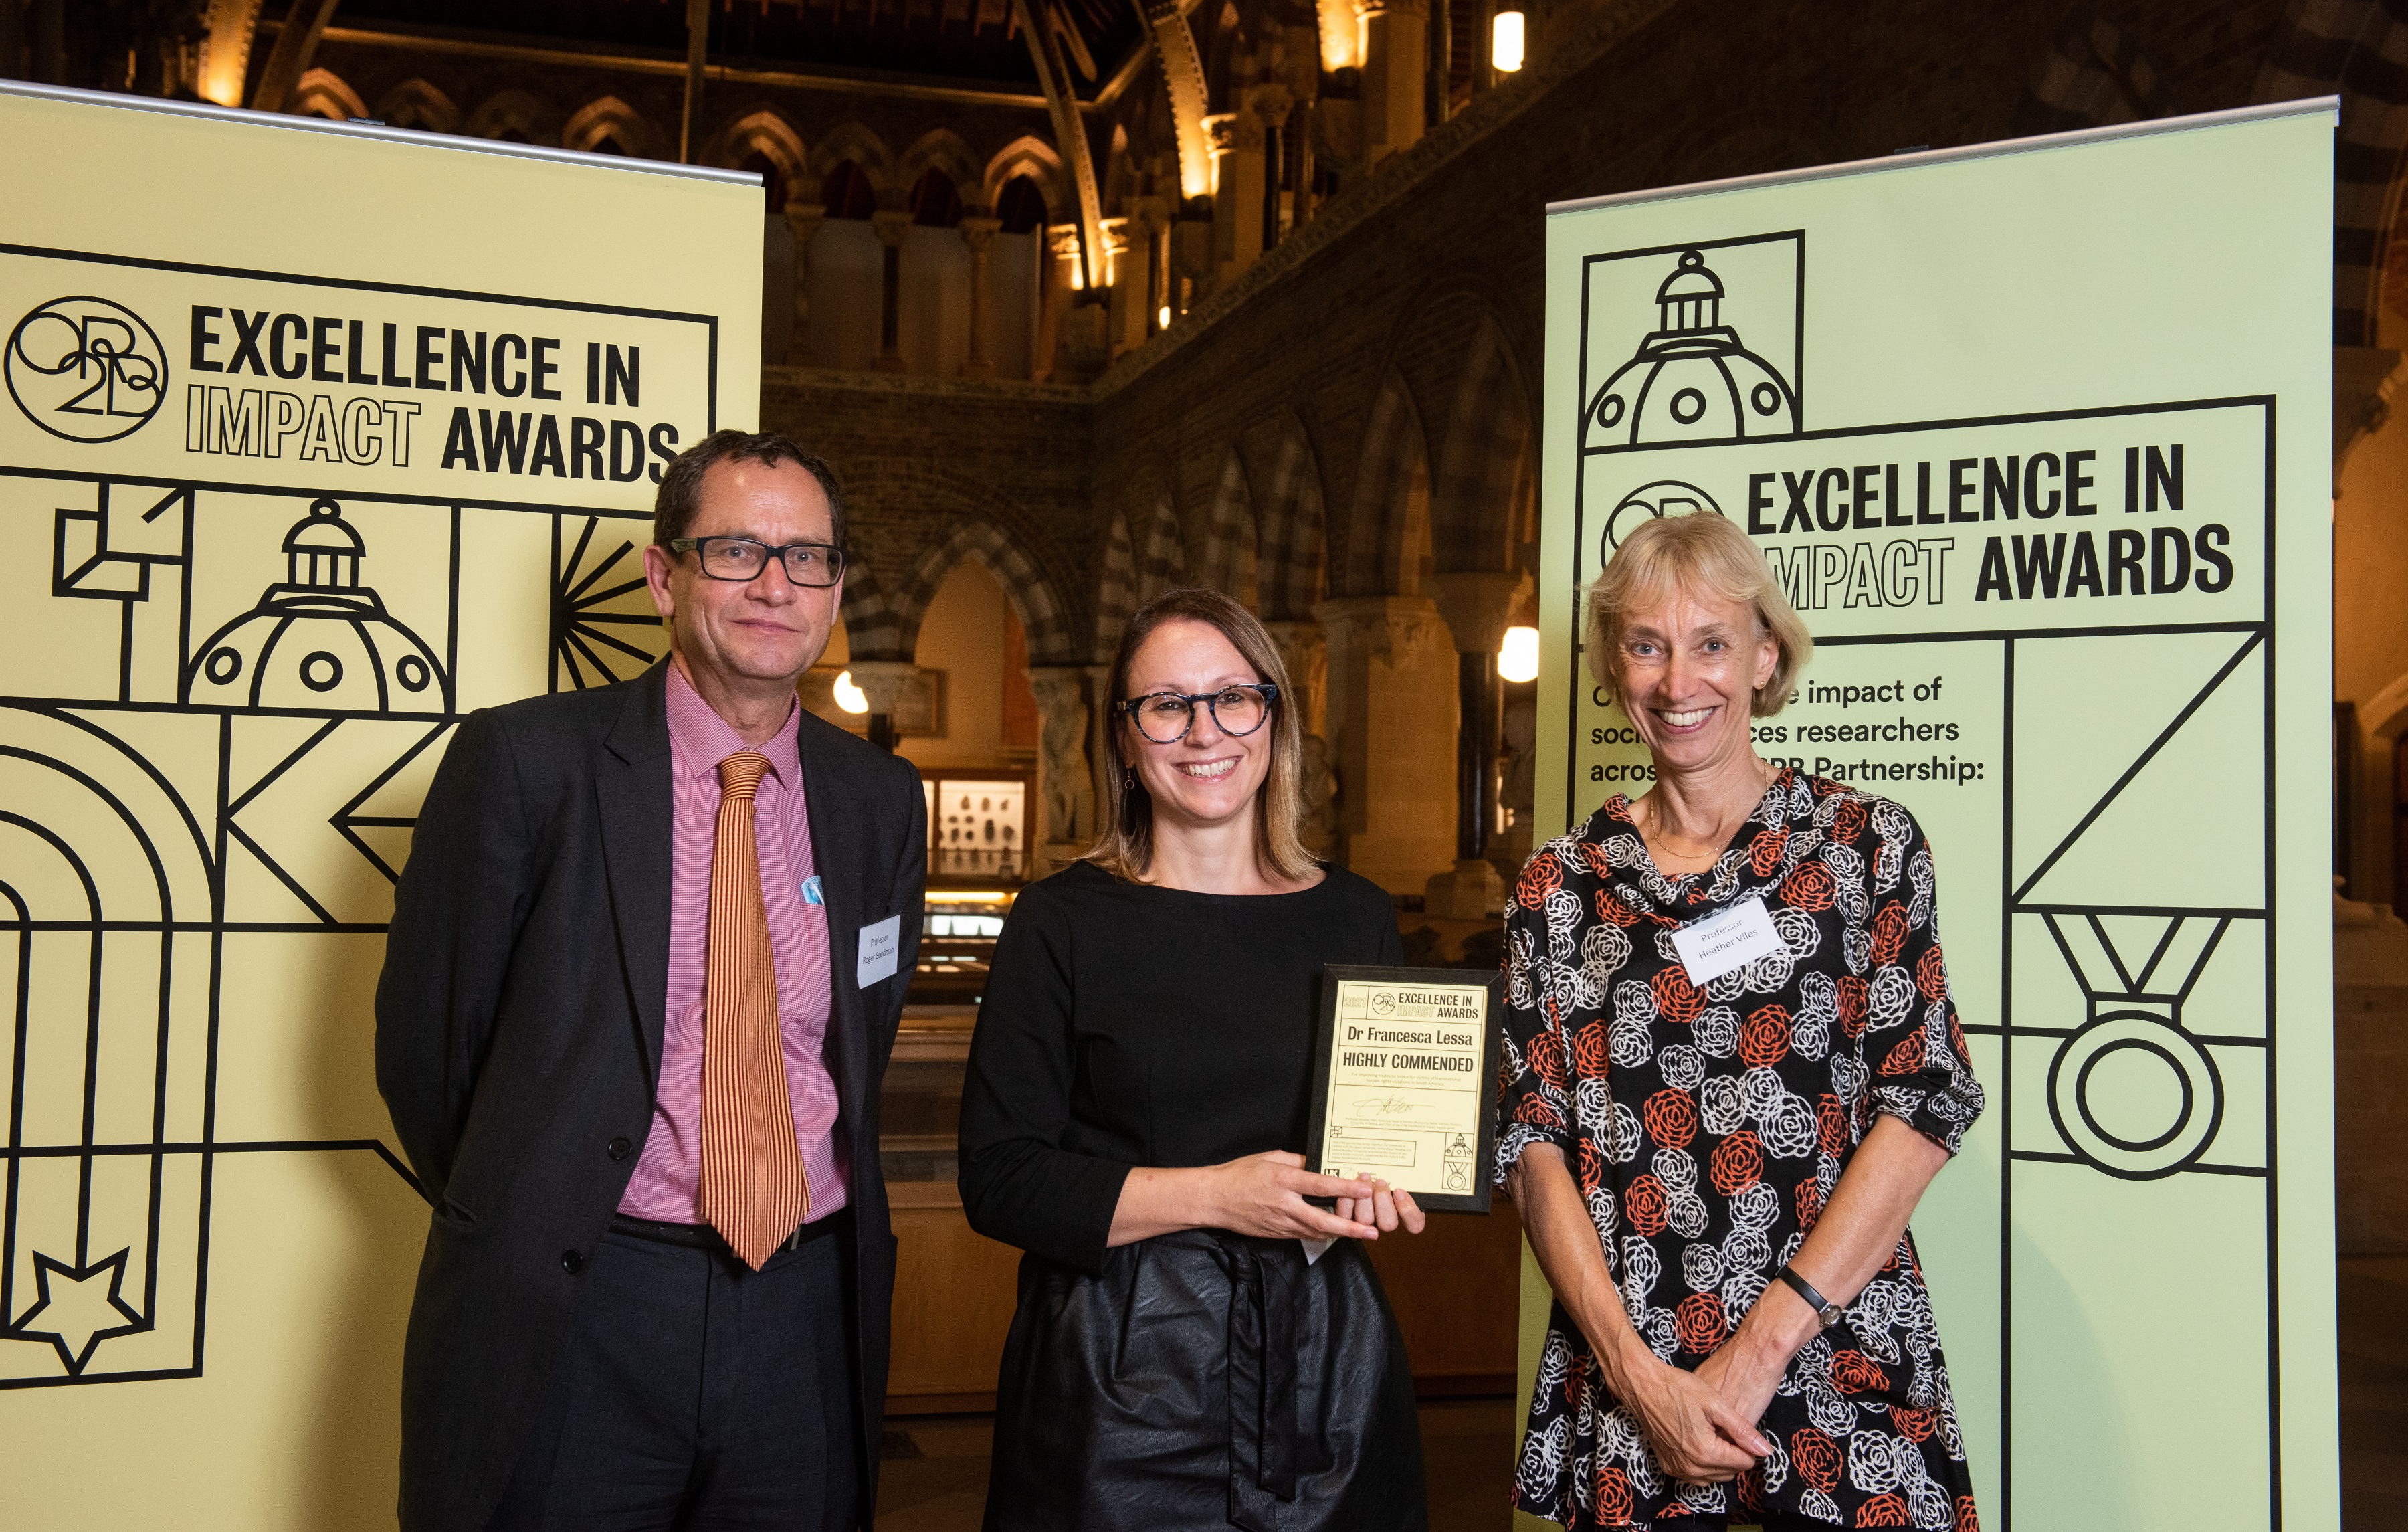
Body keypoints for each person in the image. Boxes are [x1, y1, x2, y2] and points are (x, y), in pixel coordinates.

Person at [375, 431, 926, 1531]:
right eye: (737, 552)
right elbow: (431, 1058)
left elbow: (861, 1031)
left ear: (835, 592)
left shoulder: (880, 800)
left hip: (808, 1312)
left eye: (808, 559)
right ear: (663, 575)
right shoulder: (527, 765)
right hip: (585, 1304)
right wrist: (541, 1202)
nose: (776, 585)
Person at [1494, 510, 1985, 1531]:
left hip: (1834, 1357)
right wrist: (1644, 1382)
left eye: (1711, 643)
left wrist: (1758, 1353)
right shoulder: (1556, 889)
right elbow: (1533, 1148)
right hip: (1637, 1380)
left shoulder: (1863, 848)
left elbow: (1925, 1099)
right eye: (1646, 646)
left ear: (1766, 654)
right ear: (1611, 665)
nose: (1680, 684)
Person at [959, 587, 1431, 1532]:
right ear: (1127, 738)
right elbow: (1001, 1180)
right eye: (1168, 704)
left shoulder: (1356, 916)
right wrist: (1220, 1196)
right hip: (1115, 1371)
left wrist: (1391, 1183)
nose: (1204, 732)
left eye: (1233, 698)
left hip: (1323, 1363)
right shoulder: (1060, 921)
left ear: (1273, 716)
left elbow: (1386, 1136)